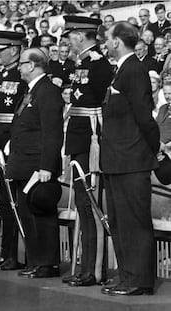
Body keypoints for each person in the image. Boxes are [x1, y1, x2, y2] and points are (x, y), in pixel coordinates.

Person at [102, 21, 160, 296]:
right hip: (117, 159)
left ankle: (140, 279)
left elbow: (144, 117)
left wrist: (153, 149)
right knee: (120, 221)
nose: (105, 40)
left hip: (132, 159)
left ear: (117, 41)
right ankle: (126, 274)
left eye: (108, 37)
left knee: (134, 222)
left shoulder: (134, 70)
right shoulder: (122, 69)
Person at [63, 16, 113, 287]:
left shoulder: (98, 64)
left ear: (80, 36)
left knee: (90, 206)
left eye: (71, 35)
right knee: (82, 205)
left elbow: (99, 104)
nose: (68, 40)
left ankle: (94, 270)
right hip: (79, 138)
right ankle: (85, 267)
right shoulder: (82, 62)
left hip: (90, 139)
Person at [7, 47, 64, 279]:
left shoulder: (48, 91)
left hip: (37, 167)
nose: (18, 68)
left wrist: (46, 167)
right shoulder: (31, 91)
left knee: (41, 213)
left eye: (21, 63)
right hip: (23, 165)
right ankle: (35, 260)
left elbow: (52, 133)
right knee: (27, 214)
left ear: (31, 65)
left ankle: (47, 263)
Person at [0, 30, 28, 271]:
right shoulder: (2, 73)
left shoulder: (21, 74)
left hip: (13, 139)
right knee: (3, 199)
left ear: (14, 49)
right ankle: (6, 252)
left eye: (1, 51)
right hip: (1, 136)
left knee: (14, 200)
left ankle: (17, 254)